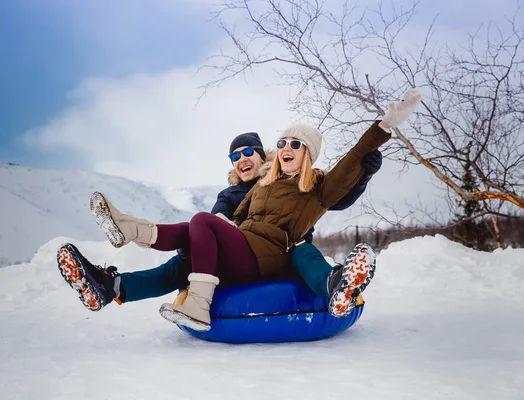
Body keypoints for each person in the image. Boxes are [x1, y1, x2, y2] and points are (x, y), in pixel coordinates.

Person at [60, 88, 420, 332]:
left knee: (201, 223)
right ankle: (120, 255)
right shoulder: (259, 186)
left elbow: (348, 170)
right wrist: (209, 235)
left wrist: (383, 127)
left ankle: (333, 287)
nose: (286, 147)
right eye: (282, 142)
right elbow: (232, 220)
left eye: (295, 143)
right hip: (241, 250)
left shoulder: (316, 186)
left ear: (307, 152)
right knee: (190, 239)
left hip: (275, 254)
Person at [57, 131, 380, 313]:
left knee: (302, 251)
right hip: (235, 248)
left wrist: (361, 174)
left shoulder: (295, 180)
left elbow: (335, 198)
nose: (242, 160)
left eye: (248, 153)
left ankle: (334, 285)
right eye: (235, 156)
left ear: (261, 155)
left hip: (285, 251)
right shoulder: (233, 193)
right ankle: (111, 285)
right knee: (183, 257)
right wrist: (214, 230)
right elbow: (217, 219)